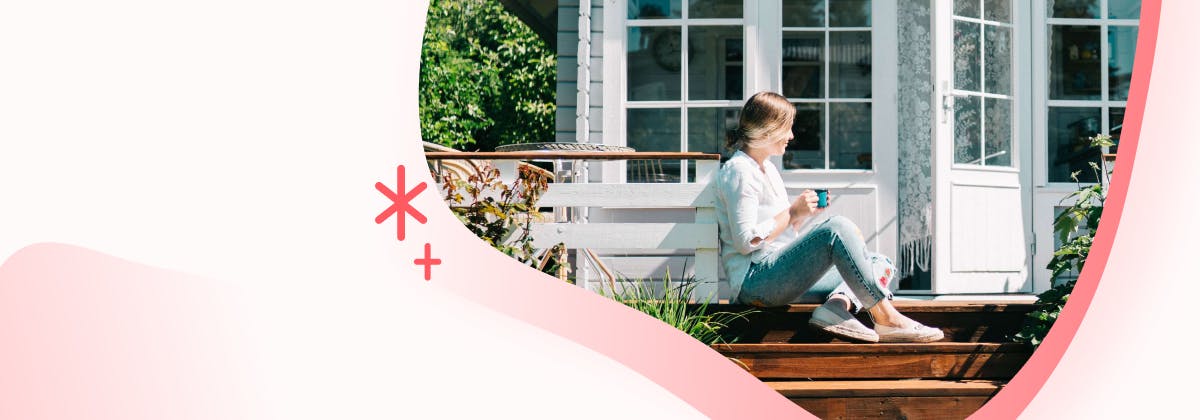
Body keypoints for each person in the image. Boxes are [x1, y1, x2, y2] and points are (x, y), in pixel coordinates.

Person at [714, 91, 943, 343]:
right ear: (767, 131)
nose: (791, 136)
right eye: (787, 128)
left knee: (880, 262)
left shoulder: (766, 168)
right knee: (836, 228)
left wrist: (799, 216)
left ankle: (836, 306)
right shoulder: (739, 171)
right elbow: (746, 241)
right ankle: (887, 318)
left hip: (777, 275)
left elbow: (775, 232)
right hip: (756, 281)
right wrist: (792, 212)